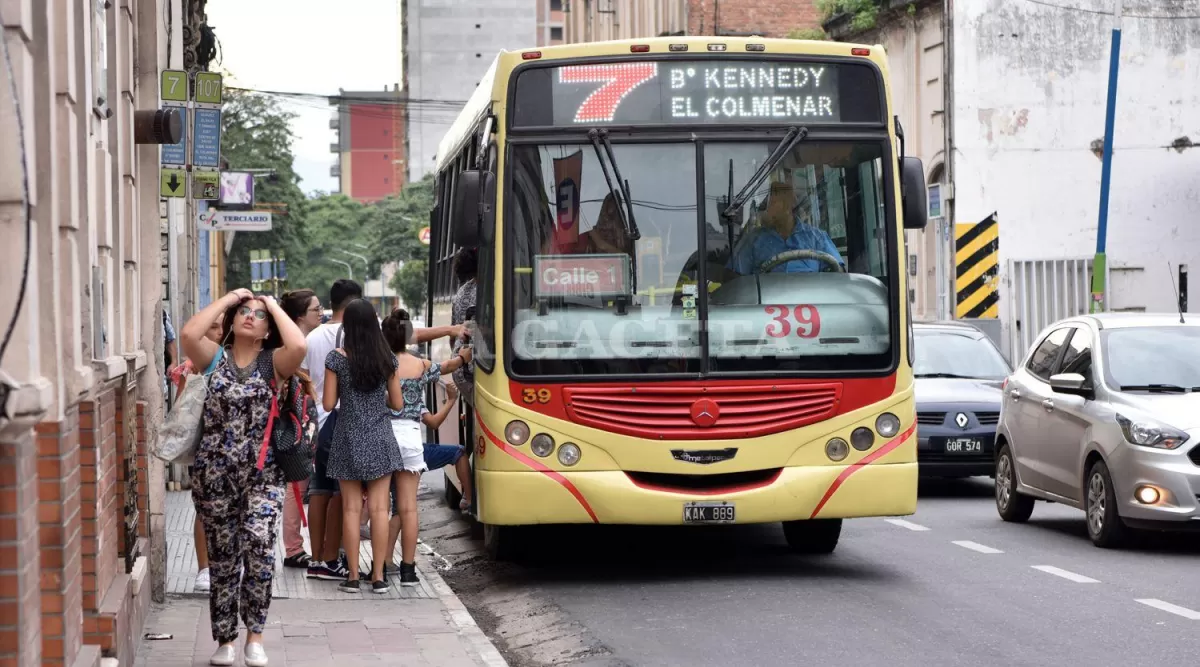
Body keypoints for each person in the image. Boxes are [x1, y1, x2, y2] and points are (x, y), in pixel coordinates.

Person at [180, 288, 307, 667]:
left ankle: (255, 635)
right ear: (233, 321)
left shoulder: (274, 363)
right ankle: (225, 640)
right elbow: (189, 335)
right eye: (244, 313)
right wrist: (230, 297)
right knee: (222, 559)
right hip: (214, 474)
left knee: (258, 548)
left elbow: (298, 344)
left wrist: (271, 305)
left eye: (259, 316)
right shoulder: (214, 359)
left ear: (268, 329)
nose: (251, 317)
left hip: (263, 474)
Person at [380, 309, 472, 586]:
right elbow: (446, 368)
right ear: (408, 337)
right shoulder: (420, 365)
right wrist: (462, 358)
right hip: (409, 439)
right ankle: (408, 571)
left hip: (382, 439)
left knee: (380, 508)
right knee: (408, 509)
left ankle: (380, 568)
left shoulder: (379, 365)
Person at [323, 298, 407, 593]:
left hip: (347, 437)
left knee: (349, 509)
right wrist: (378, 399)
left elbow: (329, 403)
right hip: (380, 437)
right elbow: (397, 404)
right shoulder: (387, 359)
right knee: (380, 508)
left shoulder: (336, 358)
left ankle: (353, 577)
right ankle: (379, 576)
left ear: (347, 326)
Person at [301, 280, 361, 582]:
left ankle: (315, 559)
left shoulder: (311, 337)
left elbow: (300, 375)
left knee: (318, 491)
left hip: (317, 423)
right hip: (343, 422)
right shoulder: (357, 336)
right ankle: (331, 557)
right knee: (342, 494)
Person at [168, 316, 225, 594]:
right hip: (207, 447)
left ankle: (226, 564)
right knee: (205, 510)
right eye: (214, 326)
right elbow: (181, 410)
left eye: (224, 325)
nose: (220, 331)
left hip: (239, 449)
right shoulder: (194, 364)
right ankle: (205, 569)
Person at [278, 289, 323, 570]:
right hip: (293, 422)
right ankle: (293, 548)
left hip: (302, 419)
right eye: (315, 310)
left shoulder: (305, 340)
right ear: (299, 316)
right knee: (296, 484)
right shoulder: (292, 345)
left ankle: (296, 546)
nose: (321, 313)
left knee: (300, 483)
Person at [726, 181, 844, 275]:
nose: (766, 210)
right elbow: (734, 278)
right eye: (765, 204)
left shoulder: (817, 238)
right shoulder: (754, 240)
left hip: (812, 300)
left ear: (788, 206)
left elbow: (838, 274)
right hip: (766, 301)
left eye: (771, 204)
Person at [449, 248, 478, 408]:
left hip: (459, 363)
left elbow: (453, 335)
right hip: (474, 367)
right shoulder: (488, 291)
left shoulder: (461, 292)